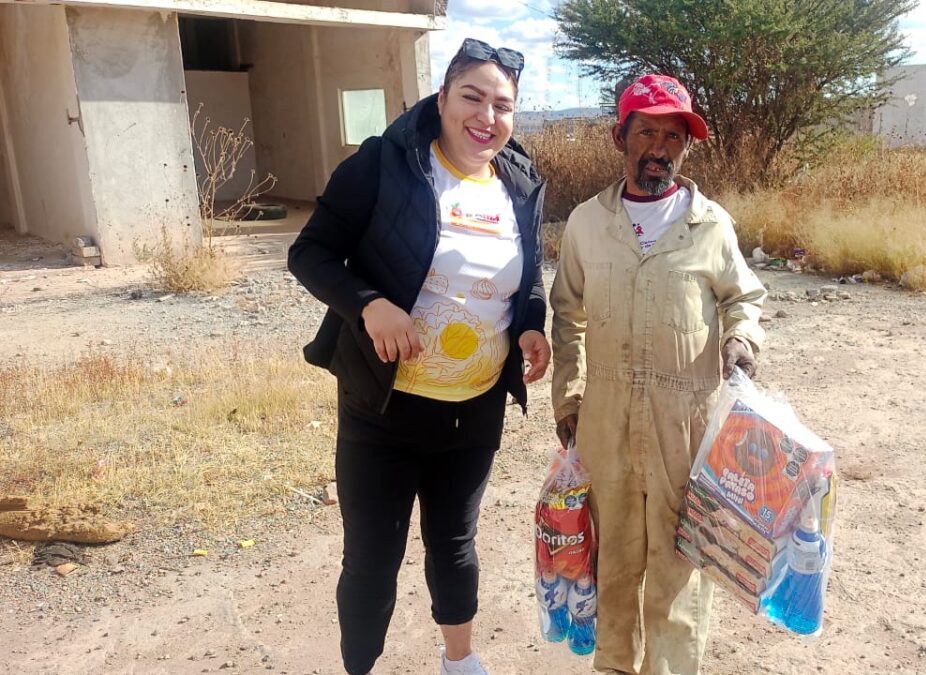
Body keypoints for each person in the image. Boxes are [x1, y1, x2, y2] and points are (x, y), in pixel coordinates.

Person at [288, 38, 549, 675]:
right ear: (442, 98)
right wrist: (369, 304)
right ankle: (360, 667)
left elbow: (530, 278)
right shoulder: (384, 163)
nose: (487, 116)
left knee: (455, 546)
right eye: (472, 97)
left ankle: (459, 661)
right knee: (372, 559)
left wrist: (531, 326)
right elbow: (310, 253)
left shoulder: (519, 183)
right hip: (383, 410)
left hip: (474, 411)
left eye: (503, 105)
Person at [550, 74, 767, 675]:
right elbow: (566, 314)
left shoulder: (711, 224)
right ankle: (614, 666)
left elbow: (743, 297)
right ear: (620, 137)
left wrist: (742, 339)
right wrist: (568, 398)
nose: (660, 149)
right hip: (606, 423)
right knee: (612, 561)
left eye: (674, 137)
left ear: (686, 147)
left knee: (681, 568)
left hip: (685, 425)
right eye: (647, 132)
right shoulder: (587, 223)